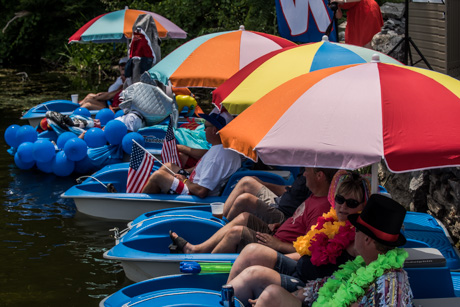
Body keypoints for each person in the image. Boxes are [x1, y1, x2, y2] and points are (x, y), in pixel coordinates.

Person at [227, 171, 371, 304]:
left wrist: (296, 292)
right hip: (301, 267)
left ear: (363, 205)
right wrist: (276, 256)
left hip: (310, 286)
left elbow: (343, 282)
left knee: (253, 275)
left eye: (351, 203)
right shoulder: (331, 221)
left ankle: (226, 299)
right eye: (339, 199)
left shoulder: (359, 239)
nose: (343, 206)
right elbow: (309, 251)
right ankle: (223, 295)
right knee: (253, 251)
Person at [250, 194, 413, 307]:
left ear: (367, 239)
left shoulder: (390, 284)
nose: (353, 233)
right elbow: (326, 286)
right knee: (272, 295)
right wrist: (292, 296)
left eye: (356, 230)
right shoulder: (361, 264)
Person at [168, 168, 337, 254]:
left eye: (307, 171)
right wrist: (281, 225)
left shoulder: (322, 207)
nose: (304, 174)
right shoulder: (313, 197)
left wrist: (279, 245)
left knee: (236, 232)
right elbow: (298, 222)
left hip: (276, 245)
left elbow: (311, 248)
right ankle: (200, 248)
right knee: (245, 217)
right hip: (276, 232)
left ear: (320, 176)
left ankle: (199, 260)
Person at [141, 112, 241, 198]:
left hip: (193, 194)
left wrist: (184, 180)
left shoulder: (216, 158)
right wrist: (185, 172)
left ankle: (141, 204)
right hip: (194, 183)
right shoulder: (224, 148)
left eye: (206, 127)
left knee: (158, 176)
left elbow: (201, 191)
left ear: (214, 130)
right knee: (167, 167)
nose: (204, 130)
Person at [222, 170, 310, 223]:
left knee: (244, 199)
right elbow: (294, 189)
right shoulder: (307, 169)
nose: (305, 173)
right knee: (246, 182)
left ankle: (221, 229)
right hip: (280, 202)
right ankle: (220, 222)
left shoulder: (313, 174)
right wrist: (263, 184)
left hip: (285, 214)